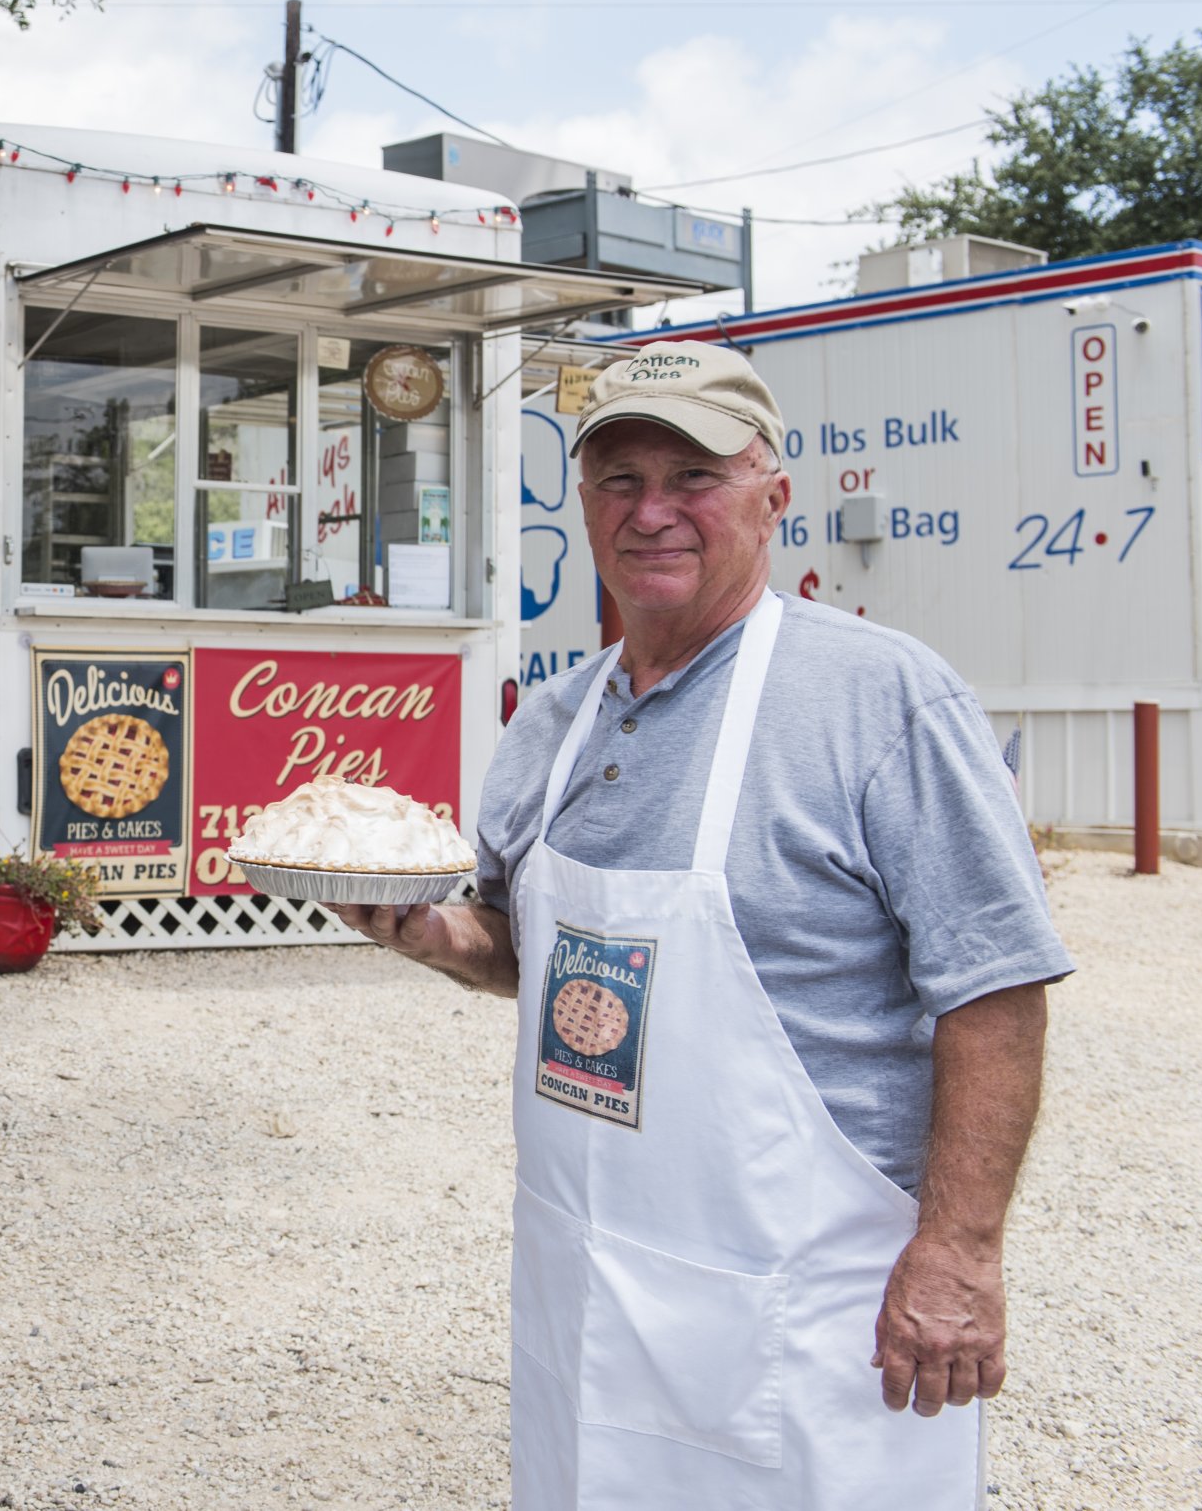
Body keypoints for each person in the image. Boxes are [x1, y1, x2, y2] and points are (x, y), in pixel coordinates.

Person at [329, 342, 1071, 1510]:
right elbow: (529, 951)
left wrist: (961, 1250)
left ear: (773, 500)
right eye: (620, 479)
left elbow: (995, 988)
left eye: (695, 478)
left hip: (808, 1292)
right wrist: (425, 935)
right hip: (587, 1270)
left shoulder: (879, 698)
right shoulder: (558, 718)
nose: (653, 512)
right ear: (582, 505)